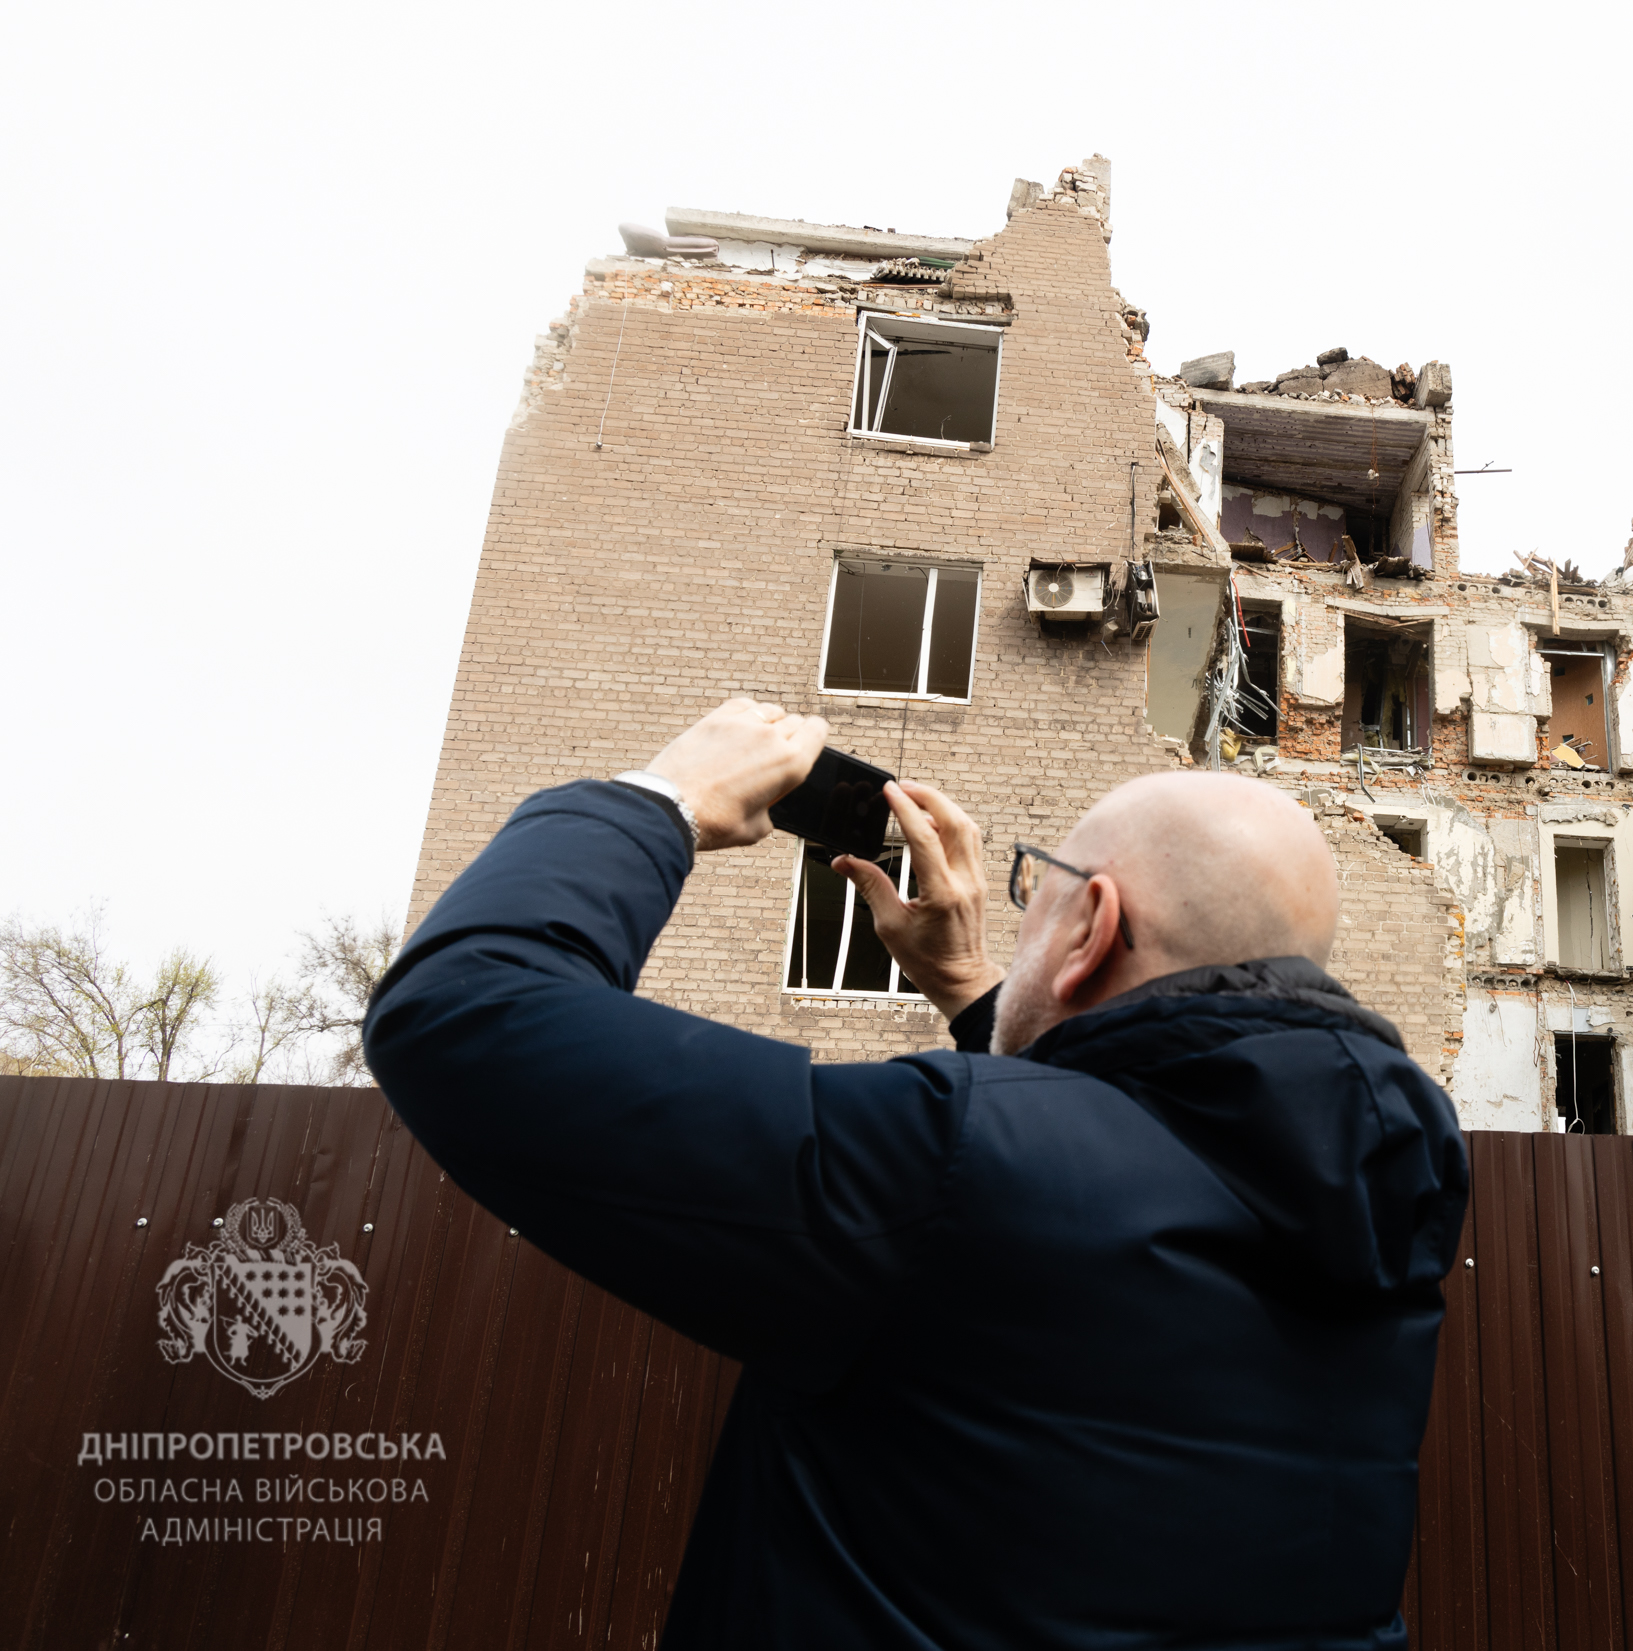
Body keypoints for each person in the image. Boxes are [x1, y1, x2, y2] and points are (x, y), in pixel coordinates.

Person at [364, 697, 1470, 1650]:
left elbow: (463, 1014)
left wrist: (656, 796)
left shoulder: (950, 1164)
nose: (1019, 904)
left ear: (1092, 925)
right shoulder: (1372, 1211)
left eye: (1038, 887)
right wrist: (973, 986)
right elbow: (1122, 1149)